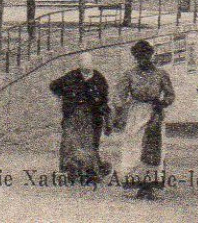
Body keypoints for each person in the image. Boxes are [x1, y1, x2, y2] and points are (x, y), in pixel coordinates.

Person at [113, 39, 175, 199]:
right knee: (134, 148)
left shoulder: (161, 74)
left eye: (146, 55)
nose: (144, 59)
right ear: (135, 57)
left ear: (151, 55)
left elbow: (170, 94)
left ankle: (149, 186)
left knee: (153, 148)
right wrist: (119, 111)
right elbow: (119, 96)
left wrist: (162, 103)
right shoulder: (129, 74)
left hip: (154, 114)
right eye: (140, 56)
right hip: (136, 114)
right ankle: (137, 183)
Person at [49, 51, 109, 184]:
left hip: (92, 117)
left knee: (89, 144)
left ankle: (90, 172)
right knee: (71, 143)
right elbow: (53, 85)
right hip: (73, 115)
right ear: (79, 64)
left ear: (92, 64)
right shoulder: (72, 76)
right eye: (82, 63)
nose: (86, 66)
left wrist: (107, 120)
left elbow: (104, 100)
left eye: (88, 63)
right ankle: (72, 171)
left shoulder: (99, 79)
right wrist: (63, 98)